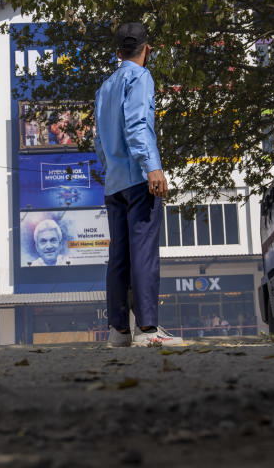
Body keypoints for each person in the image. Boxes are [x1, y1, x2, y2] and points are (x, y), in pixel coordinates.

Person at [94, 22, 184, 347]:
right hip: (137, 180)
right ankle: (148, 331)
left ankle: (118, 331)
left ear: (118, 53)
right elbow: (137, 125)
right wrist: (152, 169)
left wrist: (112, 170)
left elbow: (98, 144)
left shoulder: (104, 89)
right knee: (144, 253)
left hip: (114, 184)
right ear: (148, 49)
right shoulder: (141, 78)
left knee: (118, 255)